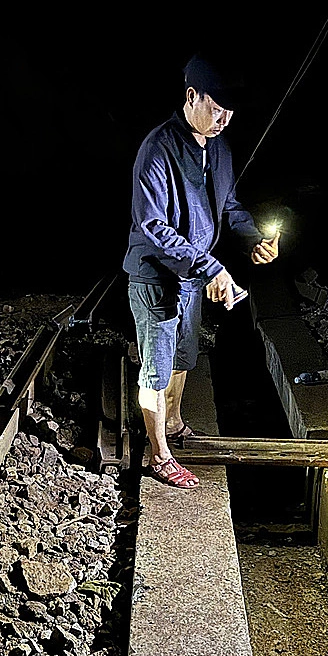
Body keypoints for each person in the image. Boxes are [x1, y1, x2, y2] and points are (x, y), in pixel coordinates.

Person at [122, 52, 280, 489]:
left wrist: (253, 240)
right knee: (155, 366)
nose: (224, 118)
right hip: (155, 276)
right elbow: (152, 224)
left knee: (184, 355)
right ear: (192, 96)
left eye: (230, 111)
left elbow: (228, 206)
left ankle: (172, 421)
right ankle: (159, 454)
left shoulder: (221, 148)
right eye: (216, 107)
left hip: (193, 277)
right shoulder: (158, 148)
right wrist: (211, 267)